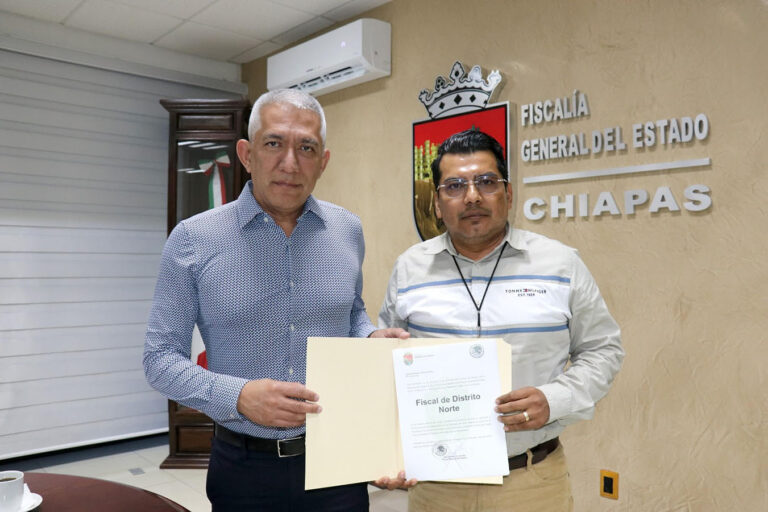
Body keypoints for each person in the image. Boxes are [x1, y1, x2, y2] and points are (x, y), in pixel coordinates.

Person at [144, 88, 407, 512]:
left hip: (338, 456)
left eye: (306, 148)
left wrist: (370, 336)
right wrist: (238, 395)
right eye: (273, 144)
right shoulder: (193, 239)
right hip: (244, 469)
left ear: (323, 162)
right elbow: (159, 360)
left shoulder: (348, 230)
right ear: (246, 155)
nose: (290, 163)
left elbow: (352, 312)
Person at [378, 129, 624, 511]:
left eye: (486, 182)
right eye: (455, 186)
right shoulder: (409, 268)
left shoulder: (561, 264)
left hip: (531, 482)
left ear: (508, 194)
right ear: (437, 204)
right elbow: (386, 364)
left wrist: (554, 399)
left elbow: (603, 350)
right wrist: (383, 448)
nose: (472, 196)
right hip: (436, 486)